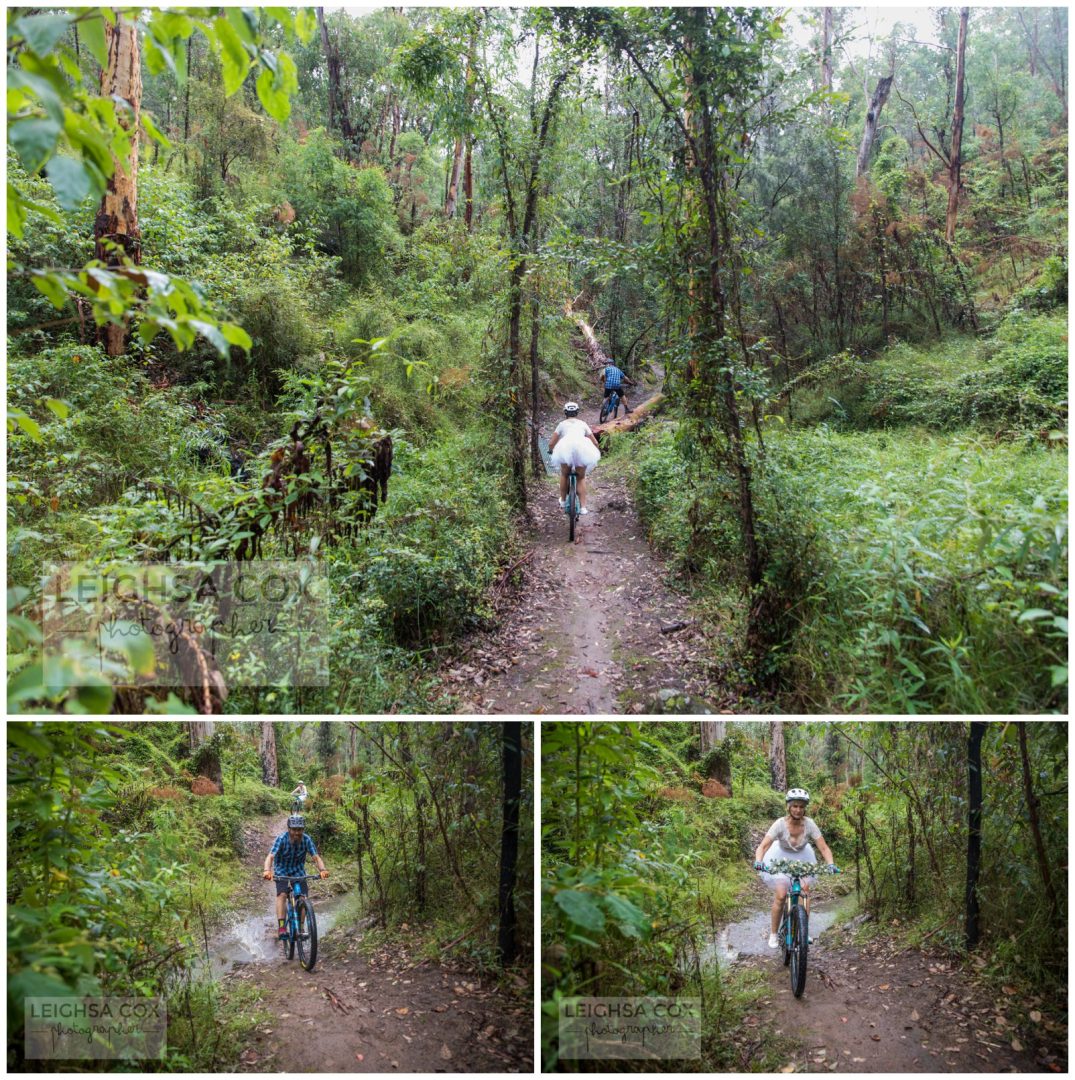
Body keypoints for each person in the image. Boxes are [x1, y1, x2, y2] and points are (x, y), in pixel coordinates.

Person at [753, 787, 836, 949]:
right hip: (780, 858)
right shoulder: (779, 824)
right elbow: (763, 846)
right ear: (789, 807)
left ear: (805, 808)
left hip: (803, 858)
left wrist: (831, 864)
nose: (798, 810)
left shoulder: (809, 824)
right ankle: (774, 934)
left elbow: (824, 848)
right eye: (795, 806)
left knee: (804, 891)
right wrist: (759, 860)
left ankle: (804, 930)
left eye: (801, 806)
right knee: (781, 894)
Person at [263, 815, 328, 939]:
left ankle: (301, 928)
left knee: (303, 897)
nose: (297, 833)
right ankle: (282, 927)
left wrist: (323, 870)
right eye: (294, 829)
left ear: (303, 829)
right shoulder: (281, 839)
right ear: (289, 829)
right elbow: (270, 857)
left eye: (300, 829)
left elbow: (316, 857)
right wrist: (267, 870)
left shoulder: (307, 839)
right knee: (282, 894)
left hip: (298, 871)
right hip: (281, 871)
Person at [547, 402, 601, 515]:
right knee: (581, 478)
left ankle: (562, 500)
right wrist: (596, 449)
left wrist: (551, 450)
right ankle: (583, 508)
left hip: (565, 449)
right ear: (577, 412)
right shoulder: (583, 424)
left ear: (565, 412)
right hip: (582, 449)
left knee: (564, 474)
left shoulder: (561, 424)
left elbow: (552, 443)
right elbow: (594, 442)